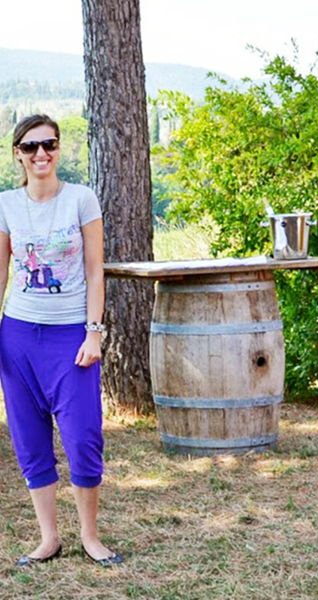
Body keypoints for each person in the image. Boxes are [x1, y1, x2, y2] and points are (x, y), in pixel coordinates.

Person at [1, 114, 122, 567]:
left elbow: (95, 271)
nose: (41, 154)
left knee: (83, 437)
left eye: (48, 144)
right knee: (29, 439)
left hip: (72, 336)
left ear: (59, 148)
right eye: (30, 147)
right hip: (17, 336)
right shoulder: (6, 204)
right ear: (18, 153)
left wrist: (95, 331)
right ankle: (49, 537)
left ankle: (90, 536)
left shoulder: (81, 199)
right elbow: (0, 273)